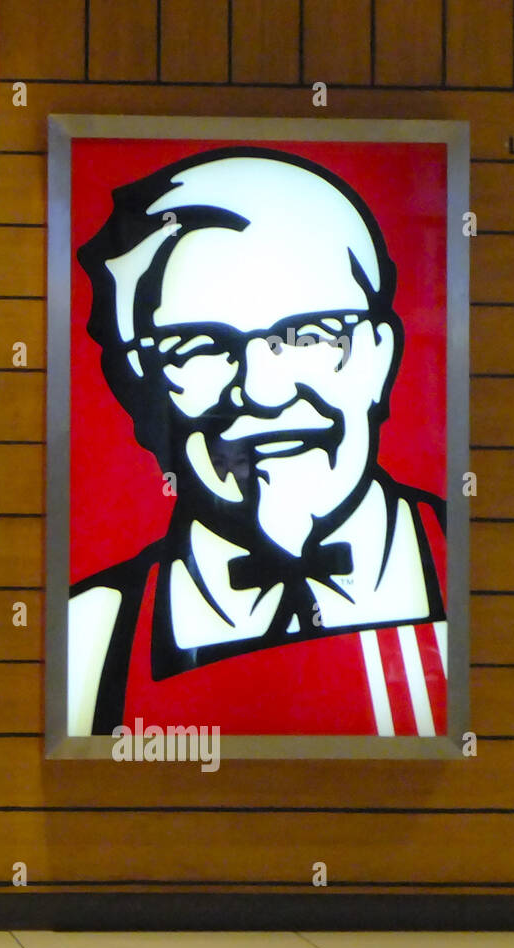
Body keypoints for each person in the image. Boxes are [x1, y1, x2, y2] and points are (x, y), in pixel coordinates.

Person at [70, 148, 447, 738]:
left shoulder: (481, 587)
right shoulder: (90, 639)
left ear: (379, 357)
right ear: (145, 390)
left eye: (309, 335)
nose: (263, 391)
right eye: (198, 347)